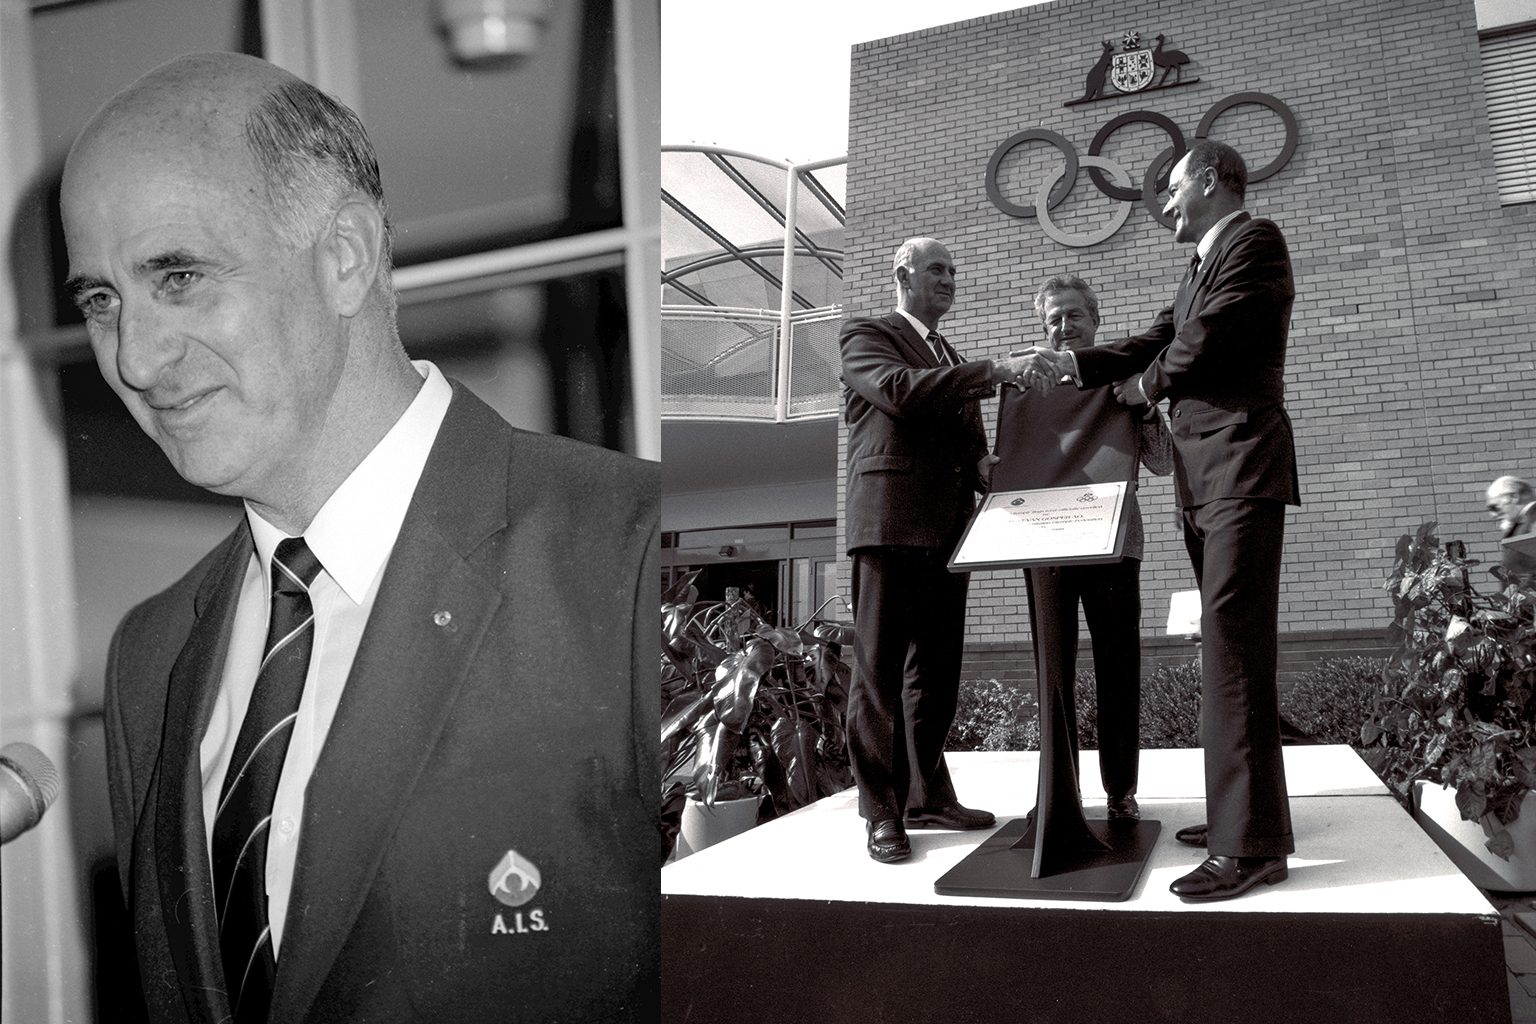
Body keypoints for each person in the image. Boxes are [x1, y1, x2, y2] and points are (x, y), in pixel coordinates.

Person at [63, 53, 656, 1023]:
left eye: (179, 275)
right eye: (100, 301)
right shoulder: (149, 655)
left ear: (345, 256)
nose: (132, 357)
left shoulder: (628, 552)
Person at [1023, 140, 1299, 901]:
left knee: (1234, 651)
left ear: (1208, 180)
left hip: (1241, 465)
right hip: (1207, 476)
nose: (1164, 203)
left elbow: (1201, 345)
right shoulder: (1196, 269)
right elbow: (1158, 337)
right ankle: (1241, 818)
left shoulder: (1253, 242)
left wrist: (1141, 390)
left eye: (1172, 188)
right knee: (1226, 649)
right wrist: (1076, 368)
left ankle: (1251, 850)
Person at [839, 236, 1038, 863]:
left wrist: (992, 466)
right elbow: (900, 391)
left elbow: (967, 442)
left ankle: (926, 795)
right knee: (879, 673)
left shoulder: (948, 352)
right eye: (936, 270)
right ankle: (881, 813)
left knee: (937, 673)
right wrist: (993, 371)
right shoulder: (865, 334)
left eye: (953, 269)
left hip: (951, 531)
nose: (949, 279)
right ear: (904, 276)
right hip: (890, 524)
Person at [1006, 274, 1173, 822]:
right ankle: (1058, 793)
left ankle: (1120, 791)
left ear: (1095, 320)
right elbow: (1016, 463)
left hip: (1114, 544)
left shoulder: (1127, 374)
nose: (1063, 327)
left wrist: (1145, 407)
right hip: (1047, 543)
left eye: (1073, 315)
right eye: (1053, 318)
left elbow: (1163, 461)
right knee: (1052, 672)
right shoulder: (1027, 384)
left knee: (1118, 668)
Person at [1488, 475, 1536, 575]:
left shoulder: (1532, 519)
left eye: (1494, 507)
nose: (1492, 515)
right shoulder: (1523, 522)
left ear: (1514, 497)